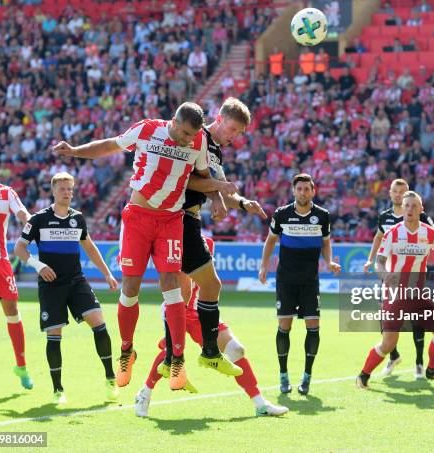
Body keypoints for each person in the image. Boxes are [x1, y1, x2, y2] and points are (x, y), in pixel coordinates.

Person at [53, 102, 239, 391]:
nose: (190, 140)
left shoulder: (199, 140)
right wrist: (75, 151)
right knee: (131, 287)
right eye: (186, 133)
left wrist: (218, 193)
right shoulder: (147, 129)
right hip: (138, 218)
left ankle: (176, 358)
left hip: (171, 221)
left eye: (194, 135)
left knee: (172, 284)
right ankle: (127, 351)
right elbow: (109, 145)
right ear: (174, 122)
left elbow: (201, 179)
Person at [163, 97, 265, 377]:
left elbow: (222, 190)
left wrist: (243, 203)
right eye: (232, 129)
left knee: (184, 293)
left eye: (239, 133)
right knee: (200, 288)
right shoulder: (198, 138)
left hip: (187, 219)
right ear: (218, 119)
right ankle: (199, 351)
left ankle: (173, 354)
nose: (234, 136)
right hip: (178, 217)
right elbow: (190, 179)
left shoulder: (215, 152)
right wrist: (218, 194)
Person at [136, 237, 289, 418]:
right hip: (178, 309)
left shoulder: (207, 242)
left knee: (237, 350)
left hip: (201, 312)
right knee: (171, 355)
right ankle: (144, 394)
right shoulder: (175, 246)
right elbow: (175, 284)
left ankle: (260, 404)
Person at [14, 172, 119, 404]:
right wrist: (38, 265)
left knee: (99, 323)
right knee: (54, 336)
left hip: (76, 281)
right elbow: (19, 248)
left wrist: (108, 274)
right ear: (53, 191)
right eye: (62, 189)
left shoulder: (78, 218)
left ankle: (111, 378)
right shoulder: (38, 219)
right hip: (51, 286)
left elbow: (90, 248)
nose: (67, 193)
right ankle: (58, 390)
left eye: (70, 189)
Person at [356, 191, 434, 390]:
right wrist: (385, 275)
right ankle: (363, 375)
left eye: (413, 206)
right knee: (389, 343)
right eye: (406, 205)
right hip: (395, 294)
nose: (409, 209)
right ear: (402, 208)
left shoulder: (430, 233)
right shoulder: (393, 232)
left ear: (421, 209)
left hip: (418, 293)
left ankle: (432, 370)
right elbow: (380, 262)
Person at [259, 173, 341, 395]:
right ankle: (283, 376)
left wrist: (330, 261)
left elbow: (325, 243)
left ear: (313, 191)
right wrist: (264, 265)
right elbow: (271, 240)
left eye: (307, 189)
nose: (303, 193)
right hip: (285, 280)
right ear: (294, 191)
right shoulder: (282, 214)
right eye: (299, 189)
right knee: (284, 327)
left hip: (309, 281)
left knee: (313, 327)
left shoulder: (322, 216)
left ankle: (307, 377)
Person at [364, 179, 434, 379]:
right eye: (395, 191)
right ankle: (393, 354)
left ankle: (420, 362)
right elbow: (378, 239)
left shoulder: (421, 218)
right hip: (390, 277)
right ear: (390, 194)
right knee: (385, 318)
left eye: (402, 191)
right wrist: (371, 260)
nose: (398, 195)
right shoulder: (384, 218)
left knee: (417, 319)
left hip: (414, 277)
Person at [0, 150, 33, 391]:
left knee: (11, 309)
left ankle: (21, 365)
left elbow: (22, 213)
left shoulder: (6, 192)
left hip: (0, 260)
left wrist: (28, 221)